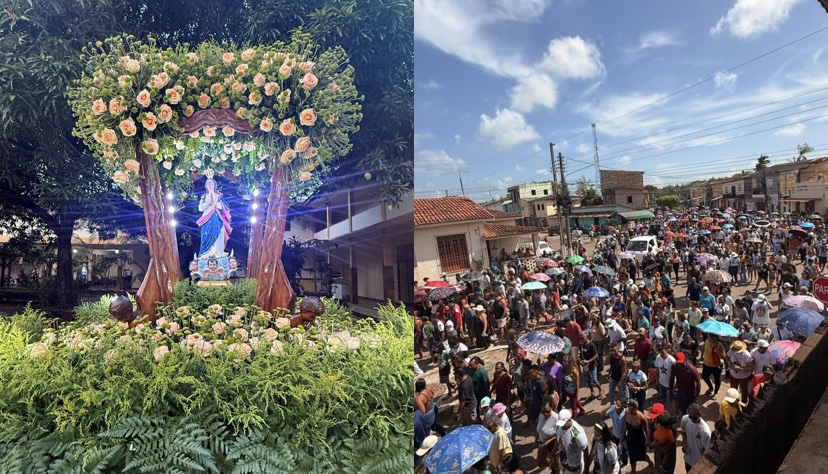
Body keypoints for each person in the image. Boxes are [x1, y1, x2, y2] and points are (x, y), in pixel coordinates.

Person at [197, 172, 233, 258]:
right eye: (208, 183)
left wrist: (216, 204)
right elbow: (200, 208)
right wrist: (207, 204)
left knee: (219, 233)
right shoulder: (204, 196)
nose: (210, 184)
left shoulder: (219, 195)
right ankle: (206, 254)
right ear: (206, 185)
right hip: (206, 218)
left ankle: (218, 253)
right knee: (206, 234)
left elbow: (225, 206)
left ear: (214, 184)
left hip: (217, 218)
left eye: (211, 182)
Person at [622, 399, 654, 474]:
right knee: (632, 457)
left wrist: (647, 441)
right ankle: (634, 472)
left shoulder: (642, 417)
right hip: (630, 438)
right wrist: (623, 436)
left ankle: (650, 462)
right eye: (629, 408)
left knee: (642, 456)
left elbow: (646, 430)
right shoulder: (626, 413)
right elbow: (625, 425)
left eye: (631, 409)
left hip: (639, 439)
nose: (629, 410)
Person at [680, 403, 712, 473]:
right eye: (690, 416)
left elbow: (707, 449)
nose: (692, 419)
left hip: (698, 461)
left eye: (695, 417)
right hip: (688, 457)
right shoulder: (685, 419)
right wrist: (684, 444)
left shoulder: (705, 431)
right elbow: (683, 432)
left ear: (699, 415)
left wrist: (702, 461)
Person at [555, 408, 589, 474]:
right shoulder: (559, 426)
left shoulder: (577, 433)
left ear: (569, 420)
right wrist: (553, 454)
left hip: (574, 468)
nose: (562, 426)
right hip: (564, 463)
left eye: (563, 424)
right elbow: (557, 440)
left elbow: (585, 451)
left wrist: (586, 470)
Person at [668, 352, 701, 417]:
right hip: (680, 393)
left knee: (691, 413)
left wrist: (696, 397)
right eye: (679, 363)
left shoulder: (692, 369)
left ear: (685, 360)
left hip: (690, 395)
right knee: (683, 409)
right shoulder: (674, 366)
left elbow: (698, 382)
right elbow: (671, 378)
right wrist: (670, 392)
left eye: (682, 362)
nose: (680, 364)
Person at [535, 400, 558, 471]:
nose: (545, 413)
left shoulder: (556, 418)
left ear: (551, 407)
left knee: (556, 465)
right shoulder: (541, 414)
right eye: (543, 411)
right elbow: (540, 429)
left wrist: (547, 442)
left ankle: (554, 468)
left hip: (553, 445)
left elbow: (559, 435)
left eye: (547, 411)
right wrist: (536, 439)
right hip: (542, 444)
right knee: (540, 463)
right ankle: (551, 465)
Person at [579, 332, 602, 399]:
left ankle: (600, 390)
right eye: (580, 338)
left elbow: (596, 355)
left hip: (592, 366)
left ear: (586, 336)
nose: (581, 339)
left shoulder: (591, 345)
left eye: (582, 337)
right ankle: (592, 392)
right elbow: (581, 355)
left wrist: (588, 361)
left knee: (594, 380)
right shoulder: (581, 345)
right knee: (588, 379)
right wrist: (581, 361)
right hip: (585, 366)